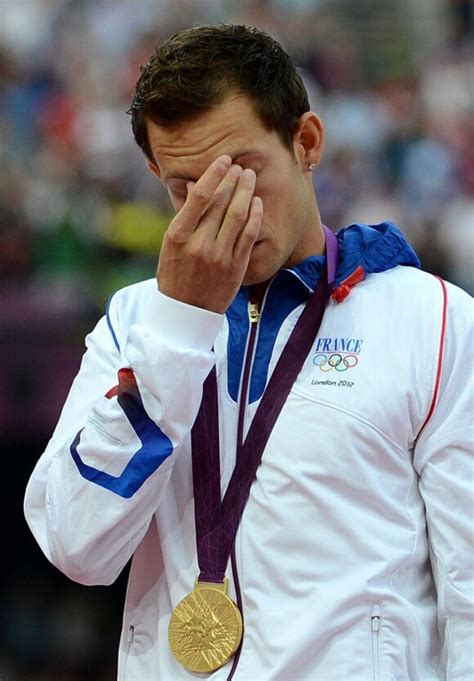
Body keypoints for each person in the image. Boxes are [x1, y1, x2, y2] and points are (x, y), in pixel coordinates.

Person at [24, 24, 473, 680]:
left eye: (242, 174)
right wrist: (177, 333)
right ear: (155, 174)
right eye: (187, 188)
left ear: (307, 143)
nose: (225, 210)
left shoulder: (433, 320)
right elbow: (76, 547)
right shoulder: (133, 325)